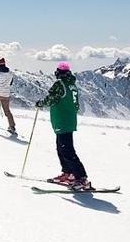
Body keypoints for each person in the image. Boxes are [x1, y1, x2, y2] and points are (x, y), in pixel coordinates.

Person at [35, 61, 91, 190]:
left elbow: (51, 99)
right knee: (61, 149)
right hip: (68, 120)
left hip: (61, 120)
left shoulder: (60, 84)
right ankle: (68, 173)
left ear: (58, 73)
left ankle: (81, 177)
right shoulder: (72, 86)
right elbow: (76, 105)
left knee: (67, 150)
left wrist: (39, 104)